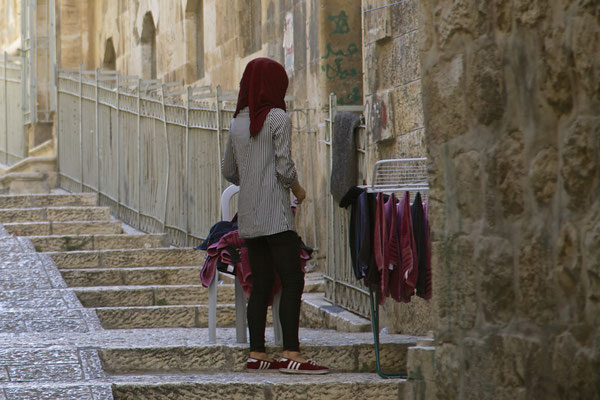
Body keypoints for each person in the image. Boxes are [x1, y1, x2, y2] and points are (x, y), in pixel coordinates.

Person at [221, 58, 329, 375]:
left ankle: (257, 352)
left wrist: (252, 177)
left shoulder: (237, 123)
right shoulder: (278, 118)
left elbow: (229, 170)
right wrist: (299, 190)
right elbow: (284, 167)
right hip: (276, 216)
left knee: (262, 282)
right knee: (293, 279)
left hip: (250, 217)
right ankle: (291, 353)